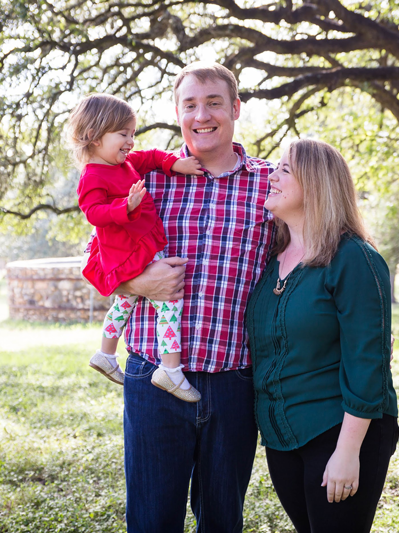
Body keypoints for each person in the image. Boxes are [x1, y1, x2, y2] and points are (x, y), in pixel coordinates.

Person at [115, 62, 275, 532]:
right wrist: (139, 284)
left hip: (233, 383)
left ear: (235, 108)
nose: (201, 115)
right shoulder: (146, 179)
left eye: (213, 103)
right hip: (153, 379)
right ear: (177, 112)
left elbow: (306, 263)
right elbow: (95, 258)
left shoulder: (271, 185)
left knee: (222, 521)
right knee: (151, 520)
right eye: (190, 105)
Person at [245, 139, 399, 533]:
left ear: (316, 184)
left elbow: (368, 362)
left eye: (284, 169)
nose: (271, 175)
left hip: (339, 431)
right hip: (283, 437)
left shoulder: (353, 258)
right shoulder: (270, 260)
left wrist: (348, 452)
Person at [67, 93, 204, 402]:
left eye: (132, 133)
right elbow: (93, 213)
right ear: (93, 136)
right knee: (169, 300)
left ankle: (105, 353)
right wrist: (124, 207)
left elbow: (153, 157)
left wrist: (175, 163)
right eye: (123, 133)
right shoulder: (92, 175)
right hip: (129, 252)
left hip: (139, 245)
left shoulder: (126, 163)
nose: (131, 141)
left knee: (125, 304)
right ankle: (170, 369)